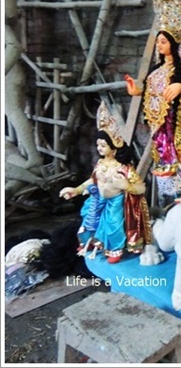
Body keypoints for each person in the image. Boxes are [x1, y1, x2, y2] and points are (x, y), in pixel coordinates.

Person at [124, 0, 181, 208]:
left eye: (164, 41)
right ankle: (168, 206)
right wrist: (137, 91)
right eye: (158, 42)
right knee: (164, 162)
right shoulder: (156, 71)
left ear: (173, 44)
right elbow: (151, 91)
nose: (159, 45)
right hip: (159, 126)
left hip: (178, 122)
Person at [59, 101, 151, 264]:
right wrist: (76, 190)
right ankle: (90, 242)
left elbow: (140, 188)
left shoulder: (124, 168)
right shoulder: (101, 164)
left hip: (115, 202)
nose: (99, 148)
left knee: (113, 225)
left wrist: (126, 186)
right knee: (88, 220)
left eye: (103, 145)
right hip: (99, 199)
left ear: (114, 146)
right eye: (98, 145)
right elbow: (93, 180)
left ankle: (115, 249)